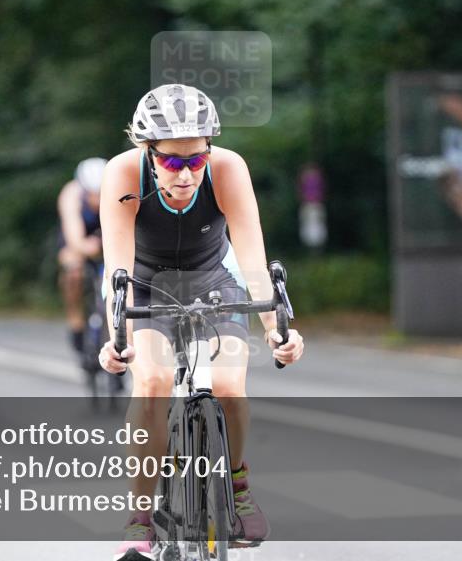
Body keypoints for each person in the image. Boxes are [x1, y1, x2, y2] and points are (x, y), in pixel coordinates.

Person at [98, 84, 305, 561]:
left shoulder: (228, 169)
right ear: (147, 151)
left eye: (197, 158)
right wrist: (118, 338)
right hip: (146, 284)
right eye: (172, 161)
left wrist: (277, 328)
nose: (187, 173)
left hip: (214, 279)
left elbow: (253, 261)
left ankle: (237, 486)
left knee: (229, 385)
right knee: (152, 381)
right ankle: (140, 516)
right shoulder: (123, 173)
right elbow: (117, 272)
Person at [57, 157, 108, 356]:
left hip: (105, 233)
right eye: (92, 194)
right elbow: (75, 238)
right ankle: (76, 321)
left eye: (101, 193)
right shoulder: (71, 194)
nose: (96, 199)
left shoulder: (118, 188)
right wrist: (87, 247)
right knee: (73, 270)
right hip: (81, 235)